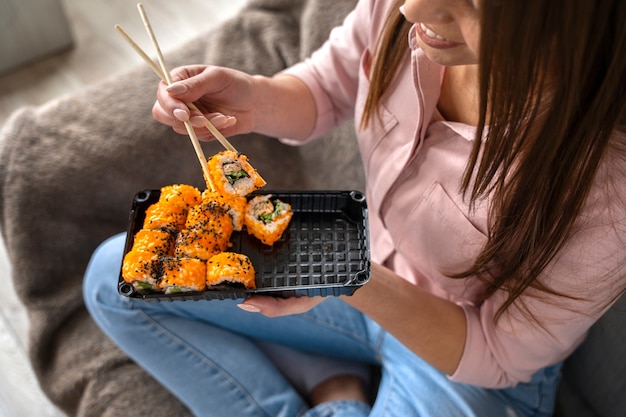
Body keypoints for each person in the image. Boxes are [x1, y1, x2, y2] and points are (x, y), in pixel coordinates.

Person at [83, 0, 626, 415]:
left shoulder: (608, 188)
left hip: (463, 364)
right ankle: (333, 374)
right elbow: (327, 85)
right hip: (362, 275)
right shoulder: (409, 12)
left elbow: (500, 354)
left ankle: (331, 388)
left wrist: (343, 270)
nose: (412, 9)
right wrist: (255, 98)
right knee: (115, 280)